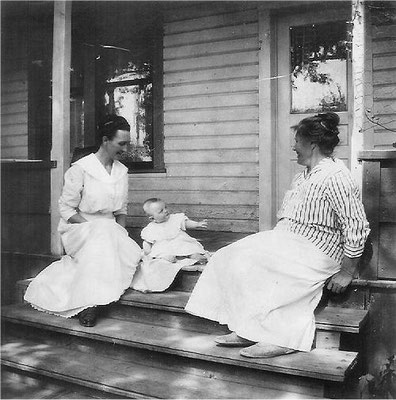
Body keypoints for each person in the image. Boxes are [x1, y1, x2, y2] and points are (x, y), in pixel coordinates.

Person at [185, 112, 370, 358]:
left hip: (319, 252)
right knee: (228, 255)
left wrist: (347, 271)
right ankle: (248, 328)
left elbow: (356, 225)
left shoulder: (336, 176)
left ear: (312, 143)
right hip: (290, 243)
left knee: (259, 262)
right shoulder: (302, 177)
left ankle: (282, 338)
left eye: (297, 141)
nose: (293, 147)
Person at [24, 115, 142, 327]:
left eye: (127, 144)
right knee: (102, 236)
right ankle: (90, 304)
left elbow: (121, 209)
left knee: (109, 237)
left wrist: (121, 232)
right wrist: (93, 226)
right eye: (121, 143)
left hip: (110, 229)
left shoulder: (121, 171)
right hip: (80, 227)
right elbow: (65, 208)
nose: (124, 149)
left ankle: (93, 299)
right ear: (105, 140)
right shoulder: (81, 169)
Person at [131, 198, 209, 292]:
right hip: (164, 247)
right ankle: (172, 258)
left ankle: (193, 255)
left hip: (179, 241)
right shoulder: (150, 229)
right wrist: (148, 253)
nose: (166, 211)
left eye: (165, 207)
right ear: (152, 218)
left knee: (187, 247)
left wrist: (197, 224)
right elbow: (147, 242)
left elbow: (186, 223)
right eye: (161, 211)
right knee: (164, 254)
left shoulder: (174, 219)